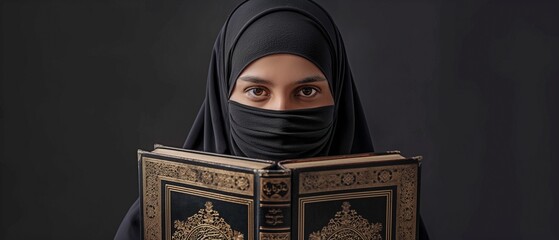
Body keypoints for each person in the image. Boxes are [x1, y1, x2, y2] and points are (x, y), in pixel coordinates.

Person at [115, 0, 429, 239]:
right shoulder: (153, 217)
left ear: (339, 96)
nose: (280, 114)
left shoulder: (393, 215)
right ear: (224, 98)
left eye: (306, 91)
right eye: (257, 91)